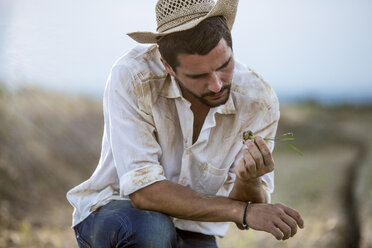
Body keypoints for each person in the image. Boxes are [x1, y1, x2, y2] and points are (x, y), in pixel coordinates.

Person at [67, 0, 304, 247]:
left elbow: (253, 203)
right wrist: (242, 212)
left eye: (224, 66)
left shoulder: (258, 101)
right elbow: (144, 192)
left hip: (193, 224)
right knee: (153, 231)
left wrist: (248, 180)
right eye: (199, 76)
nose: (216, 85)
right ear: (168, 66)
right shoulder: (133, 76)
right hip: (113, 211)